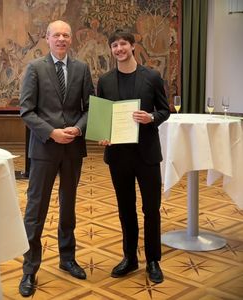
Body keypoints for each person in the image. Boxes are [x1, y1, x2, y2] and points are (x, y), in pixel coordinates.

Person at [19, 20, 94, 297]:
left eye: (66, 35)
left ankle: (67, 258)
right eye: (56, 35)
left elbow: (90, 107)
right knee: (35, 210)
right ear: (47, 39)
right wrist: (51, 132)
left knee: (69, 206)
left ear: (71, 40)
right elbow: (26, 111)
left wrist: (79, 128)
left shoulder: (82, 69)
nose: (61, 39)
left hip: (73, 149)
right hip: (44, 150)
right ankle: (29, 270)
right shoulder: (35, 68)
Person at [97, 29, 170, 284]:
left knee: (151, 209)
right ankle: (130, 258)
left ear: (133, 46)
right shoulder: (105, 81)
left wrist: (151, 118)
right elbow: (104, 118)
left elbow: (165, 110)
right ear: (111, 49)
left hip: (147, 154)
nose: (119, 49)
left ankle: (153, 260)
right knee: (125, 209)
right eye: (114, 45)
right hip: (118, 156)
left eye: (123, 44)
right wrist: (103, 134)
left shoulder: (151, 76)